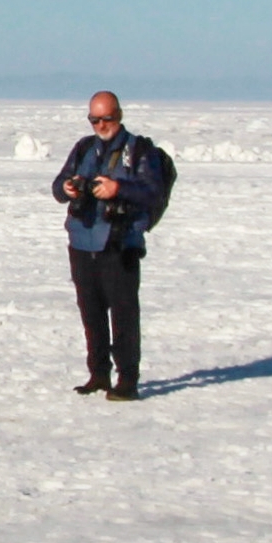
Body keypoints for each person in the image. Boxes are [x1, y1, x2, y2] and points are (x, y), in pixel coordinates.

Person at [51, 90, 171, 399]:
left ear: (119, 115)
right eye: (95, 120)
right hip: (82, 241)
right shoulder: (84, 149)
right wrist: (68, 188)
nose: (101, 125)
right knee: (91, 312)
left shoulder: (139, 151)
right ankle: (99, 374)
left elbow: (152, 192)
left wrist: (118, 188)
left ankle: (127, 380)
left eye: (107, 119)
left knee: (123, 314)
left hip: (119, 244)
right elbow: (57, 186)